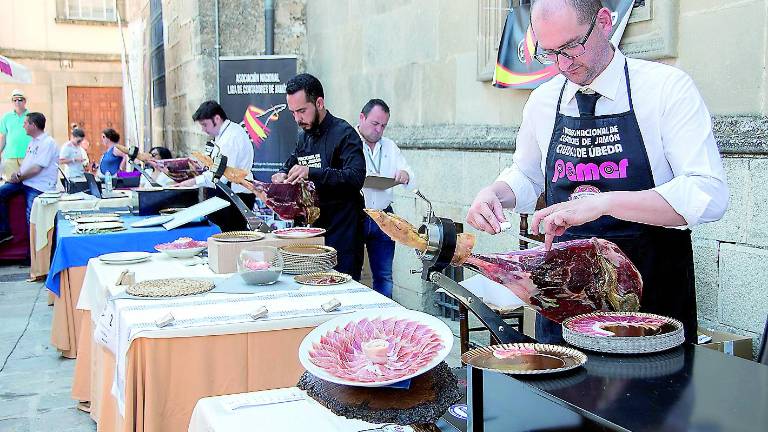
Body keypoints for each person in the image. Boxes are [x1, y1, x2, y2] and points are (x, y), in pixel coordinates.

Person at [466, 0, 728, 344]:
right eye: (550, 53)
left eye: (572, 47)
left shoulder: (665, 89)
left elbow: (708, 194)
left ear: (604, 22)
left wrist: (605, 203)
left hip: (651, 305)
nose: (563, 64)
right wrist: (495, 193)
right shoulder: (543, 102)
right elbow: (526, 175)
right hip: (564, 303)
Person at [273, 73, 366, 281]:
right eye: (293, 113)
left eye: (302, 111)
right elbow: (292, 161)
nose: (297, 119)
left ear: (319, 102)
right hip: (313, 233)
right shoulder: (303, 136)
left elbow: (355, 177)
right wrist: (282, 173)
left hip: (344, 234)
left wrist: (312, 173)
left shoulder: (345, 133)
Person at [358, 98, 416, 297]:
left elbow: (409, 173)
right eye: (375, 123)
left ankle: (384, 320)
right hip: (357, 214)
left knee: (384, 275)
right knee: (351, 273)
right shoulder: (348, 141)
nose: (379, 130)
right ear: (362, 117)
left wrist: (405, 175)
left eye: (383, 125)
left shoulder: (390, 146)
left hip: (384, 215)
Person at [174, 100, 255, 232]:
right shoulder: (224, 135)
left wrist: (192, 182)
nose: (203, 129)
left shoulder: (231, 138)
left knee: (232, 237)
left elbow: (221, 175)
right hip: (228, 192)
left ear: (217, 118)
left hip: (235, 195)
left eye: (205, 125)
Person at [0, 112, 59, 244]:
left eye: (26, 123)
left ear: (34, 125)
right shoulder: (32, 142)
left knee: (32, 220)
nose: (23, 126)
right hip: (24, 182)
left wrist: (19, 176)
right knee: (1, 193)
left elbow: (37, 168)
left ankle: (33, 256)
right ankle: (4, 231)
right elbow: (28, 165)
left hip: (39, 186)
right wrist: (16, 174)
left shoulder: (47, 143)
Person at [0, 89, 31, 181]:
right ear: (12, 102)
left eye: (20, 99)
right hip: (10, 156)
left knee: (28, 183)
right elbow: (3, 137)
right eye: (15, 99)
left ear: (25, 101)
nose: (17, 102)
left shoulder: (31, 116)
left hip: (27, 155)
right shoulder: (6, 117)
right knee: (11, 183)